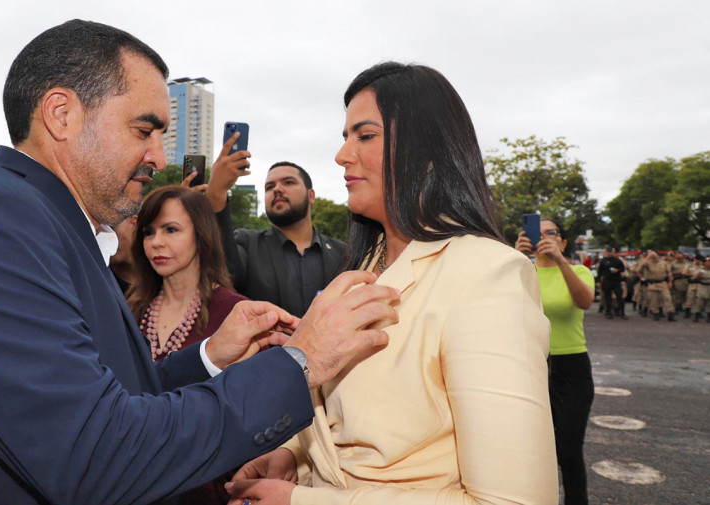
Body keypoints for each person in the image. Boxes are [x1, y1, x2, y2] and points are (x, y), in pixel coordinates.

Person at [0, 20, 398, 505]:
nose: (158, 156)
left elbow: (115, 397)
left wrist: (211, 356)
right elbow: (96, 457)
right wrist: (299, 362)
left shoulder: (51, 222)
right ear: (61, 114)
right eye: (143, 129)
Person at [227, 62, 556, 505]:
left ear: (428, 149)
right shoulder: (363, 267)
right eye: (344, 138)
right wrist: (294, 453)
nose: (342, 155)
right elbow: (341, 415)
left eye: (364, 136)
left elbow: (513, 500)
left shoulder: (487, 275)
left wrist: (300, 501)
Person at [128, 186, 249, 504]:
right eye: (149, 232)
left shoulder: (236, 314)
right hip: (135, 482)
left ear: (202, 234)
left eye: (171, 229)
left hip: (210, 486)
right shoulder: (129, 310)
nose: (156, 242)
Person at [206, 148, 345, 317]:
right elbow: (222, 270)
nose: (277, 189)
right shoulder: (247, 245)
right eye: (269, 187)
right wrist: (216, 194)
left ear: (311, 196)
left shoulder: (343, 254)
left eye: (288, 182)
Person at [515, 218, 595, 505]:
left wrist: (561, 262)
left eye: (553, 233)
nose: (545, 237)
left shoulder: (579, 270)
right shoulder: (520, 271)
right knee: (532, 450)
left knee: (569, 451)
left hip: (572, 368)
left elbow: (585, 301)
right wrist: (517, 258)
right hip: (530, 366)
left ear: (562, 242)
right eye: (538, 232)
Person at [636, 251, 676, 321]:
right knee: (653, 300)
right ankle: (656, 313)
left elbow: (669, 274)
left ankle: (670, 313)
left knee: (668, 298)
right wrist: (647, 257)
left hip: (662, 283)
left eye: (655, 255)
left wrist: (670, 282)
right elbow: (638, 269)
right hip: (652, 284)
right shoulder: (647, 263)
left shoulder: (664, 263)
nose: (654, 257)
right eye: (652, 256)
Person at [597, 247, 627, 319]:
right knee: (607, 298)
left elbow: (622, 268)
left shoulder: (617, 260)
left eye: (610, 252)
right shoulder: (603, 261)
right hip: (607, 281)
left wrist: (617, 270)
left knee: (620, 297)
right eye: (608, 252)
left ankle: (622, 312)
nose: (609, 254)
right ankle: (608, 313)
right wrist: (598, 281)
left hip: (616, 281)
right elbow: (599, 272)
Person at [691, 257, 710, 322]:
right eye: (707, 262)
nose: (708, 263)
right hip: (702, 286)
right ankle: (697, 315)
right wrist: (699, 274)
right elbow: (694, 278)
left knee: (709, 302)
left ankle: (708, 316)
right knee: (700, 302)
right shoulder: (701, 270)